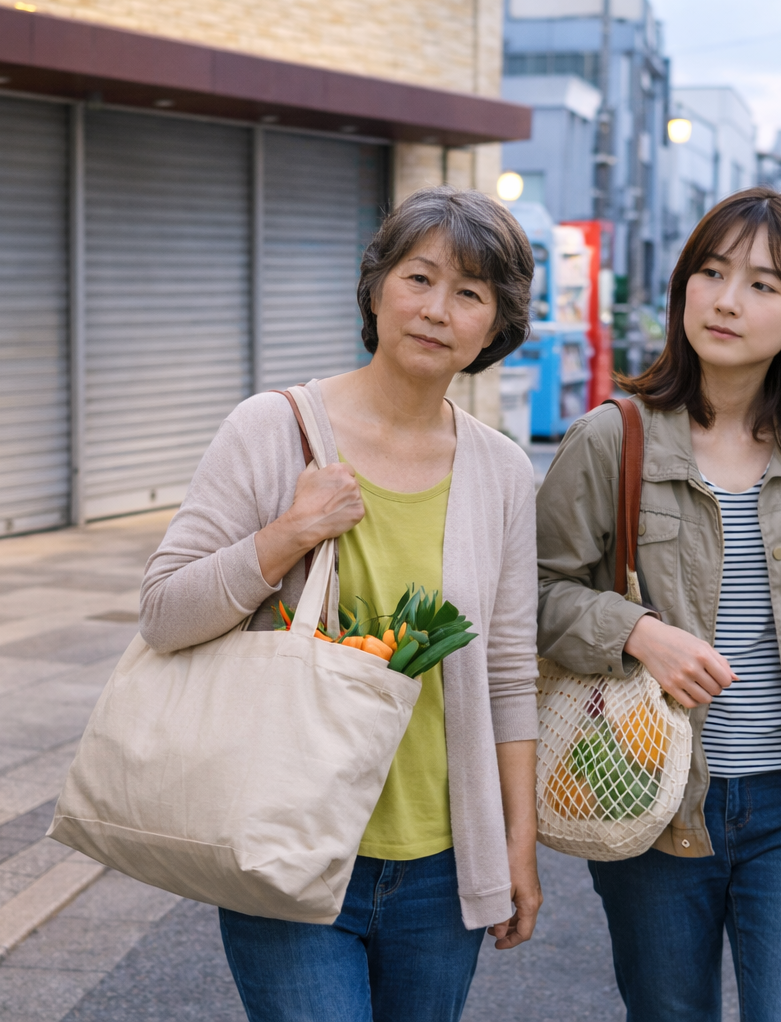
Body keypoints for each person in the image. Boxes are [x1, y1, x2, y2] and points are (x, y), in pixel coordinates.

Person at [139, 186, 542, 1022]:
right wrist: (287, 534)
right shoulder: (271, 429)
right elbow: (165, 612)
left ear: (495, 327)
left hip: (440, 862)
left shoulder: (502, 471)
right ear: (376, 287)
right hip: (286, 841)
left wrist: (517, 843)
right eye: (419, 278)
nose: (436, 310)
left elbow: (507, 670)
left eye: (469, 294)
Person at [537, 187, 781, 1022]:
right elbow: (534, 596)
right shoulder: (611, 439)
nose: (727, 299)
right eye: (711, 271)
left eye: (764, 285)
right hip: (654, 795)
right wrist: (636, 633)